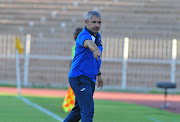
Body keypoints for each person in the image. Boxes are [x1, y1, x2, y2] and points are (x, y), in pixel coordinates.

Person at [63, 11, 103, 122]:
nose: (97, 25)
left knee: (78, 111)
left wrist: (98, 74)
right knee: (88, 109)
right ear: (86, 22)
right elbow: (88, 43)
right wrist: (95, 49)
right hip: (80, 77)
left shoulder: (97, 36)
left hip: (89, 78)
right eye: (94, 22)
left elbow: (93, 59)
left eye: (99, 22)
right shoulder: (83, 35)